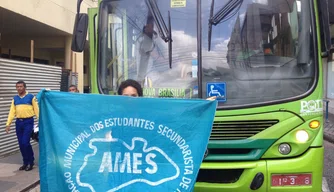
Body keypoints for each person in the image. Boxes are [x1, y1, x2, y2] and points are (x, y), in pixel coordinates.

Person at [5, 80, 39, 171]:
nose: (19, 88)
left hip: (28, 122)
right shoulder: (15, 99)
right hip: (18, 123)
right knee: (21, 144)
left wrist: (40, 121)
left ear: (25, 87)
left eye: (21, 86)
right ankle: (25, 162)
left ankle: (30, 162)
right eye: (17, 87)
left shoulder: (31, 97)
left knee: (25, 142)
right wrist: (8, 124)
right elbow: (12, 112)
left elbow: (37, 110)